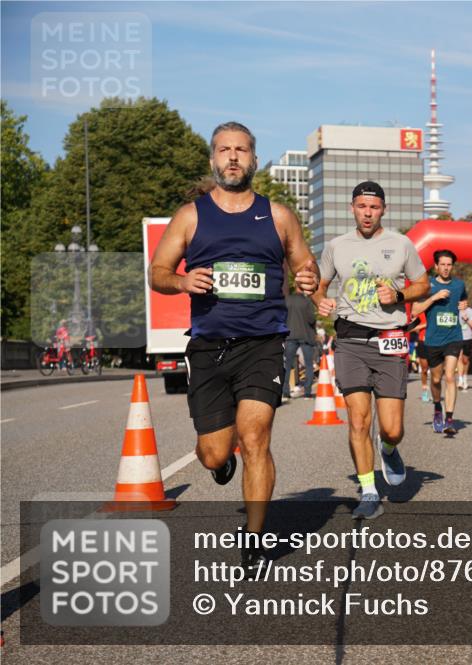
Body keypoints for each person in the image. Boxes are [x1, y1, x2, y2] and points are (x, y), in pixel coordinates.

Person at [149, 121, 318, 569]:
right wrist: (183, 281)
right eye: (224, 150)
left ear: (254, 160)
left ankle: (256, 538)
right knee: (214, 452)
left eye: (241, 150)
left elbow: (305, 262)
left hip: (263, 343)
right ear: (213, 159)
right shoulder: (192, 215)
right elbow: (157, 272)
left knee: (256, 436)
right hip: (208, 346)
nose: (233, 157)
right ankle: (222, 466)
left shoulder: (278, 215)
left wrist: (308, 275)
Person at [313, 181, 430, 520]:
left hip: (391, 339)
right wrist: (320, 301)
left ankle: (389, 448)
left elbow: (422, 283)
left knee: (392, 428)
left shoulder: (402, 243)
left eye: (374, 207)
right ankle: (368, 490)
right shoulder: (336, 246)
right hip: (350, 340)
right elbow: (318, 285)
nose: (368, 213)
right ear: (353, 208)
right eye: (362, 207)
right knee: (359, 420)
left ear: (383, 210)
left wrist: (400, 296)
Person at [412, 249, 468, 435]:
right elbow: (415, 310)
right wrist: (434, 297)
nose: (445, 268)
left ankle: (449, 418)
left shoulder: (459, 285)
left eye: (449, 264)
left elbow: (463, 300)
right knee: (435, 379)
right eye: (442, 264)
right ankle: (438, 408)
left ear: (452, 266)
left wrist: (464, 305)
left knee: (450, 376)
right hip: (433, 339)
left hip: (454, 337)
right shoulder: (427, 285)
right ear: (436, 266)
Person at [282, 281, 317, 401]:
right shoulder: (307, 301)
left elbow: (283, 317)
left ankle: (285, 391)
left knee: (287, 365)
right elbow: (312, 319)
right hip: (305, 336)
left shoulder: (287, 300)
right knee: (308, 365)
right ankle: (307, 392)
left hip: (290, 336)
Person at [458, 302, 472, 390]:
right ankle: (460, 380)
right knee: (459, 358)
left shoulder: (471, 311)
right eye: (460, 302)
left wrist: (466, 319)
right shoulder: (455, 311)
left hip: (468, 338)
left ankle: (465, 377)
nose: (463, 303)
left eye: (464, 302)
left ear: (467, 303)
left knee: (465, 360)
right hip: (457, 338)